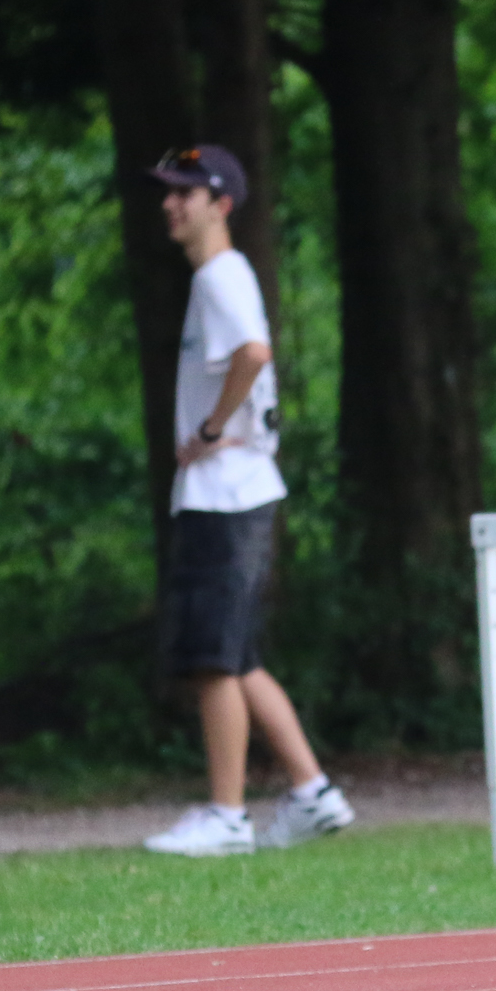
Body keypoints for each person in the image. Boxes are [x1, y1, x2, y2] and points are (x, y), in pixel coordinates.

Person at [139, 144, 354, 857]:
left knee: (214, 660)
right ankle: (313, 792)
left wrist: (208, 429)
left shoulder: (219, 275)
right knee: (239, 655)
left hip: (225, 493)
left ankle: (228, 816)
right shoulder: (219, 275)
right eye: (168, 192)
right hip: (234, 489)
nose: (170, 203)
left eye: (185, 193)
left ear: (221, 204)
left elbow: (254, 353)